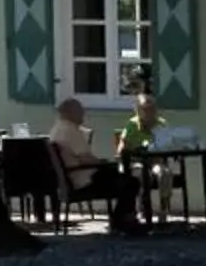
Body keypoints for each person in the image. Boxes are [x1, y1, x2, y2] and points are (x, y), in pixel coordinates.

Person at [46, 96, 141, 233]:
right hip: (85, 178)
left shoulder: (58, 129)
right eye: (80, 111)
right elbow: (85, 159)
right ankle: (123, 220)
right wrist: (102, 163)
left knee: (124, 179)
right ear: (69, 113)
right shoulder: (70, 130)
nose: (83, 114)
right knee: (131, 182)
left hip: (74, 177)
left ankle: (121, 219)